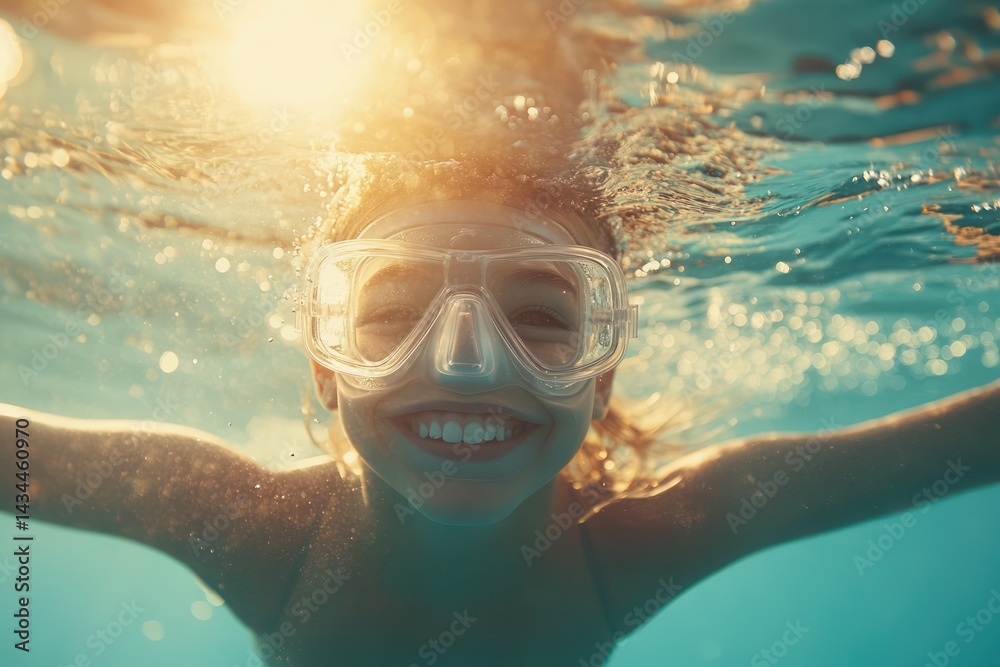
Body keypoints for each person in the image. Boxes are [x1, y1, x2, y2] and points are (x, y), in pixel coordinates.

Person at [3, 193, 999, 667]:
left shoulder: (643, 537)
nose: (466, 362)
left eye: (540, 315)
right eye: (395, 312)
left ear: (601, 379)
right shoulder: (242, 522)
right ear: (325, 366)